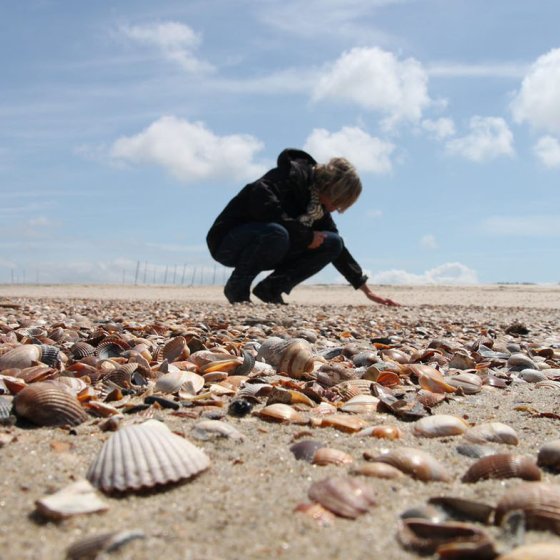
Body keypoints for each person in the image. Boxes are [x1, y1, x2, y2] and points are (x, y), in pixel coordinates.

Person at [206, 148, 400, 306]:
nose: (335, 209)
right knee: (278, 232)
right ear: (331, 188)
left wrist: (367, 291)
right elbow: (263, 204)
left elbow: (339, 250)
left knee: (332, 242)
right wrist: (305, 236)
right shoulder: (290, 176)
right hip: (228, 241)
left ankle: (271, 289)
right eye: (337, 202)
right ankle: (237, 288)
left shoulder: (317, 207)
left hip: (269, 244)